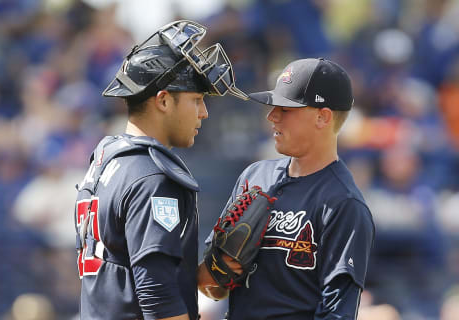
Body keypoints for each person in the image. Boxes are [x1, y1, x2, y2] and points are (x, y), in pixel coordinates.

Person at [74, 20, 246, 320]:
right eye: (196, 100)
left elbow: (131, 268)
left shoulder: (107, 160)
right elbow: (156, 294)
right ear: (164, 100)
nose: (204, 113)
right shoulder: (152, 177)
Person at [198, 58, 375, 319]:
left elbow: (337, 312)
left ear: (322, 117)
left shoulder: (344, 203)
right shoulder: (255, 176)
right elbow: (212, 289)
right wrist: (220, 269)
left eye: (286, 109)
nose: (272, 116)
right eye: (273, 106)